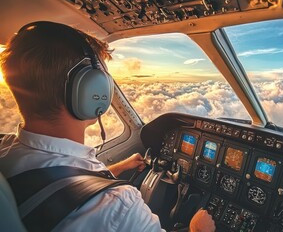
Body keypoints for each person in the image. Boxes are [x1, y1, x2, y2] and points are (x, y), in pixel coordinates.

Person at [0, 21, 215, 232]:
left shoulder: (5, 148)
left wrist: (118, 168)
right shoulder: (118, 206)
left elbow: (60, 185)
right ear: (92, 92)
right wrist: (198, 230)